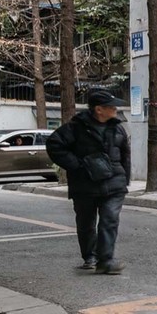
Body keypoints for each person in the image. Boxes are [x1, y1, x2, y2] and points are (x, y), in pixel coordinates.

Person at [47, 88, 131, 275]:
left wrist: (125, 178)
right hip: (84, 185)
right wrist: (77, 166)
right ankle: (90, 257)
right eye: (111, 106)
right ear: (99, 109)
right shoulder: (76, 127)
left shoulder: (117, 128)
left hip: (114, 184)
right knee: (86, 224)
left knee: (109, 220)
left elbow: (125, 154)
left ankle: (106, 260)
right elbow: (54, 145)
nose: (115, 109)